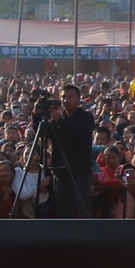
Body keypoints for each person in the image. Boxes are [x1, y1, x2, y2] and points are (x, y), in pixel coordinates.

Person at [43, 84, 96, 218]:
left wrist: (60, 121)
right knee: (62, 212)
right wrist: (38, 115)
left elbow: (79, 136)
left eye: (70, 97)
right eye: (63, 97)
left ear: (78, 99)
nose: (66, 100)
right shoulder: (56, 118)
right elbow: (43, 135)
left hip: (79, 172)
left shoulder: (86, 117)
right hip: (61, 172)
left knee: (81, 211)